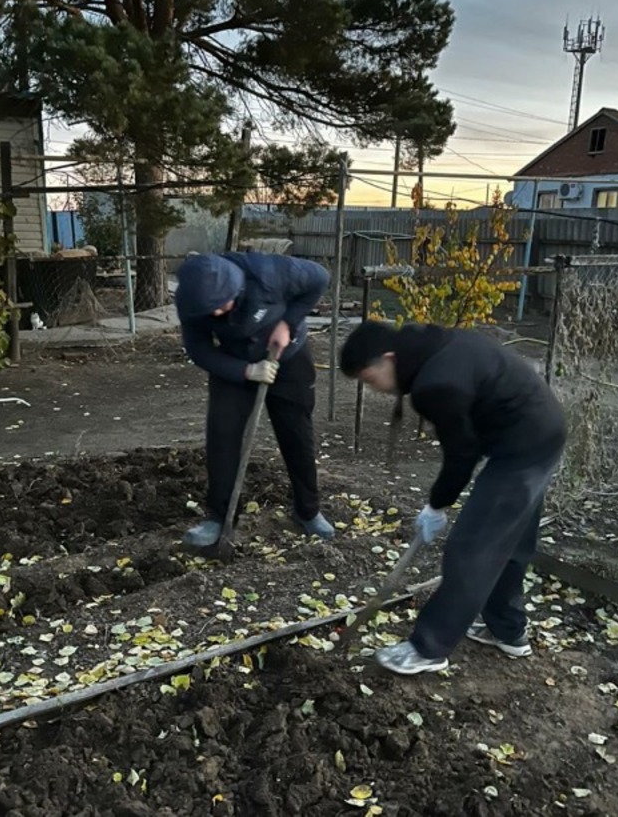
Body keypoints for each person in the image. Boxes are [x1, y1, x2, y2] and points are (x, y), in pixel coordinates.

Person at [340, 320, 566, 675]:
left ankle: (428, 648)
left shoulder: (435, 384)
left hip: (523, 445)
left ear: (389, 358)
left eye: (370, 379)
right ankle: (507, 630)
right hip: (541, 429)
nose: (375, 390)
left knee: (472, 547)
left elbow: (462, 453)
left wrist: (437, 504)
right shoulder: (434, 347)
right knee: (510, 541)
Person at [175, 251, 334, 548]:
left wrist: (288, 323)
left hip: (288, 356)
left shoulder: (270, 273)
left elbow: (320, 278)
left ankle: (308, 511)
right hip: (235, 363)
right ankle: (219, 518)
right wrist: (245, 371)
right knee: (222, 435)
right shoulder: (192, 301)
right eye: (211, 309)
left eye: (221, 303)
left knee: (296, 434)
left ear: (235, 287)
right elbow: (199, 350)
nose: (217, 313)